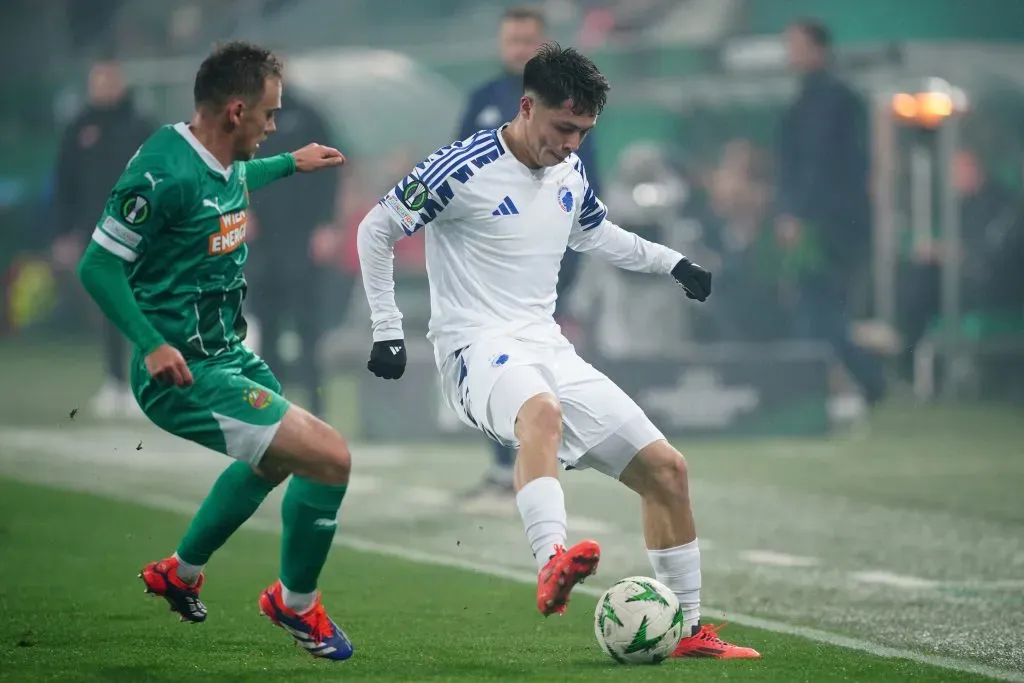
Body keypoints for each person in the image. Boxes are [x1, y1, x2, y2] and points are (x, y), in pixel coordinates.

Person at [356, 43, 759, 660]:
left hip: (547, 348)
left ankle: (690, 630)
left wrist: (672, 262)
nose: (572, 142)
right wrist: (387, 328)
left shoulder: (568, 171)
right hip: (473, 350)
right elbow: (375, 227)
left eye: (584, 131)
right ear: (525, 107)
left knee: (668, 472)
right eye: (563, 127)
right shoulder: (463, 167)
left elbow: (598, 233)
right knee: (541, 413)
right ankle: (551, 561)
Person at [76, 42, 355, 660]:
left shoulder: (219, 154)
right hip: (182, 371)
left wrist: (290, 163)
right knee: (329, 457)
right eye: (270, 113)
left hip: (225, 353)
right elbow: (97, 265)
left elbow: (233, 178)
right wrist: (150, 345)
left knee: (278, 459)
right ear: (235, 110)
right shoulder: (161, 172)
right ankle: (295, 605)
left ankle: (180, 571)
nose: (275, 123)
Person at [455, 5, 602, 510]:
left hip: (545, 255)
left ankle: (541, 462)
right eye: (512, 39)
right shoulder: (481, 100)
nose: (518, 48)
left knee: (540, 360)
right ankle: (504, 468)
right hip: (488, 260)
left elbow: (588, 177)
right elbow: (456, 176)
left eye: (527, 40)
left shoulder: (569, 101)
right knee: (492, 360)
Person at [777, 18, 886, 406]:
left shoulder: (831, 101)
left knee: (818, 311)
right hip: (829, 222)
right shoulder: (815, 98)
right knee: (818, 310)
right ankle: (851, 384)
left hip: (828, 225)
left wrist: (796, 215)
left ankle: (865, 382)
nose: (790, 54)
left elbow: (820, 166)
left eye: (796, 46)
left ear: (818, 49)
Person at [53, 60, 156, 418]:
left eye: (110, 79)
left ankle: (146, 384)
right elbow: (65, 182)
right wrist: (64, 231)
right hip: (97, 232)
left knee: (144, 305)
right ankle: (115, 384)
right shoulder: (79, 127)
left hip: (143, 232)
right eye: (98, 80)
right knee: (111, 309)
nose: (104, 86)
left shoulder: (141, 125)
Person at [247, 88, 341, 419]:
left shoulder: (308, 115)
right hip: (263, 242)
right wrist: (240, 209)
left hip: (303, 239)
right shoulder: (247, 117)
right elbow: (233, 165)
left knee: (307, 330)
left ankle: (317, 412)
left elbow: (332, 166)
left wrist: (327, 224)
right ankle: (270, 410)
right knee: (266, 328)